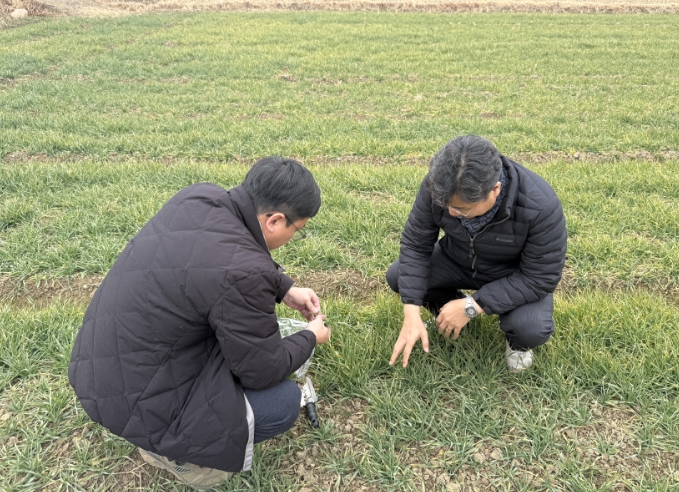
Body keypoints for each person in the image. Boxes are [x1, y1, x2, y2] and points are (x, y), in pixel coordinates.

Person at [68, 157, 331, 489]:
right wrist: (310, 336)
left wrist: (284, 287)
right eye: (298, 230)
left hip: (101, 371)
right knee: (281, 402)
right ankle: (176, 456)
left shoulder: (200, 197)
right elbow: (262, 370)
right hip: (134, 401)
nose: (295, 236)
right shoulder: (246, 273)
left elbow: (211, 260)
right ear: (276, 221)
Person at [387, 135, 567, 372]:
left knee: (530, 329)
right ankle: (448, 315)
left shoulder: (540, 205)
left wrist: (472, 305)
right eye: (445, 206)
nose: (451, 213)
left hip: (512, 274)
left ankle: (516, 345)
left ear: (495, 189)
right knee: (398, 275)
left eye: (461, 209)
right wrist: (411, 312)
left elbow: (540, 278)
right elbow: (416, 244)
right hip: (457, 259)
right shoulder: (439, 186)